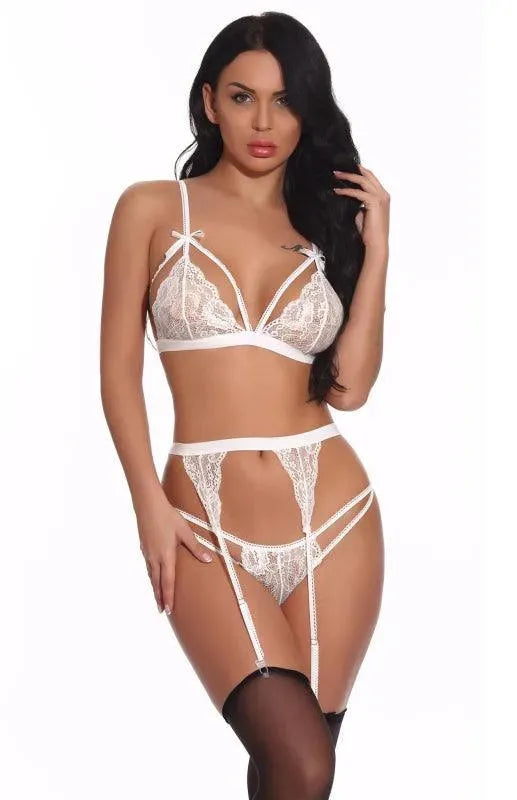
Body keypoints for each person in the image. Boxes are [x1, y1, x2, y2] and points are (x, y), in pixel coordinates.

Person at [100, 11, 390, 799]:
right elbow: (117, 373)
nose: (264, 122)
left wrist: (377, 248)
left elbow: (350, 389)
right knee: (299, 760)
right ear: (209, 102)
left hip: (334, 513)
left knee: (297, 772)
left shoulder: (322, 229)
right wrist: (147, 505)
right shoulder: (152, 207)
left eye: (285, 100)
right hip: (201, 517)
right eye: (242, 97)